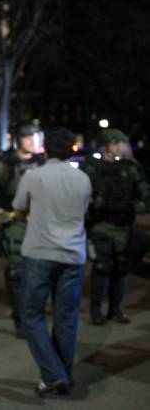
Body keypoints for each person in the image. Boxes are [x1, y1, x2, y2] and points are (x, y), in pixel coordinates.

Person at [13, 127, 91, 397]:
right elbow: (83, 212)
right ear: (72, 149)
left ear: (45, 149)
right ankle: (61, 377)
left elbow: (19, 207)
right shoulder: (83, 179)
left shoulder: (34, 176)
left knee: (31, 314)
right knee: (66, 318)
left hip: (39, 253)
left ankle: (53, 373)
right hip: (73, 254)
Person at [0, 121, 45, 337]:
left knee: (39, 271)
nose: (33, 142)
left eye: (36, 137)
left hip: (40, 223)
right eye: (28, 137)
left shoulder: (44, 163)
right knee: (16, 271)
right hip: (14, 222)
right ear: (19, 140)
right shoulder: (4, 165)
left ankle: (34, 313)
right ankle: (20, 319)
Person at [81, 128, 150, 325]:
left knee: (121, 268)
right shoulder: (92, 167)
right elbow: (81, 193)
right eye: (118, 143)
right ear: (107, 145)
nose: (122, 147)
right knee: (102, 267)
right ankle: (96, 311)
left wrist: (143, 204)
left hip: (124, 225)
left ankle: (115, 309)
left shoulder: (131, 167)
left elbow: (144, 190)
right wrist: (93, 204)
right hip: (101, 224)